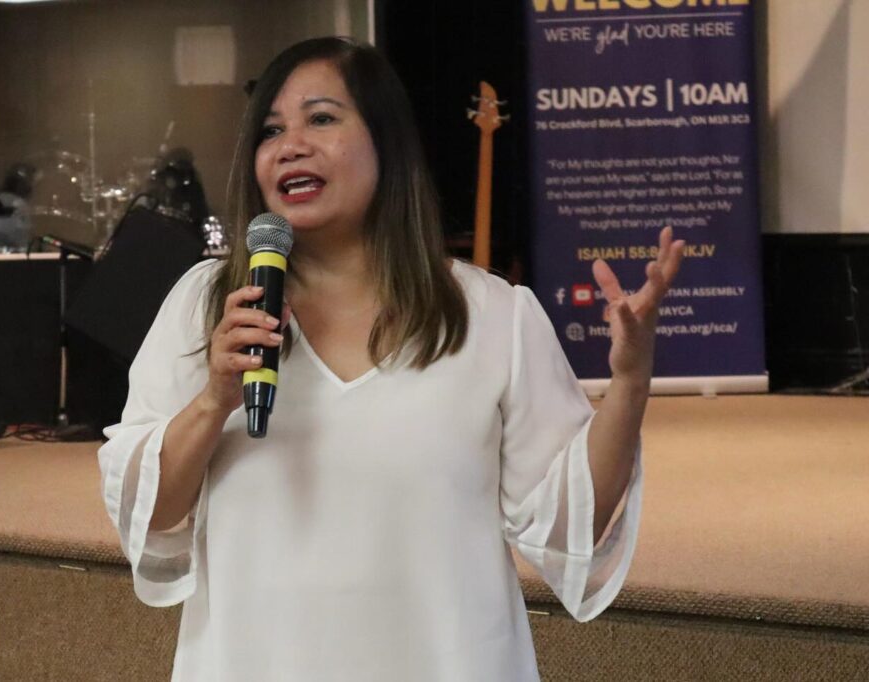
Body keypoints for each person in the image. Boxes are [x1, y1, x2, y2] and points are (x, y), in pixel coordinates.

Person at [98, 37, 685, 681]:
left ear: (386, 141)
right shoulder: (208, 305)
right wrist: (214, 399)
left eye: (321, 118)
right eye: (271, 130)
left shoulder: (492, 314)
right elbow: (151, 516)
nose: (291, 145)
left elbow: (570, 525)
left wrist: (630, 381)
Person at [0, 162, 37, 252]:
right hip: (8, 256)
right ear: (21, 184)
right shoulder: (18, 204)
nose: (32, 188)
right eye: (30, 182)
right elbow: (23, 244)